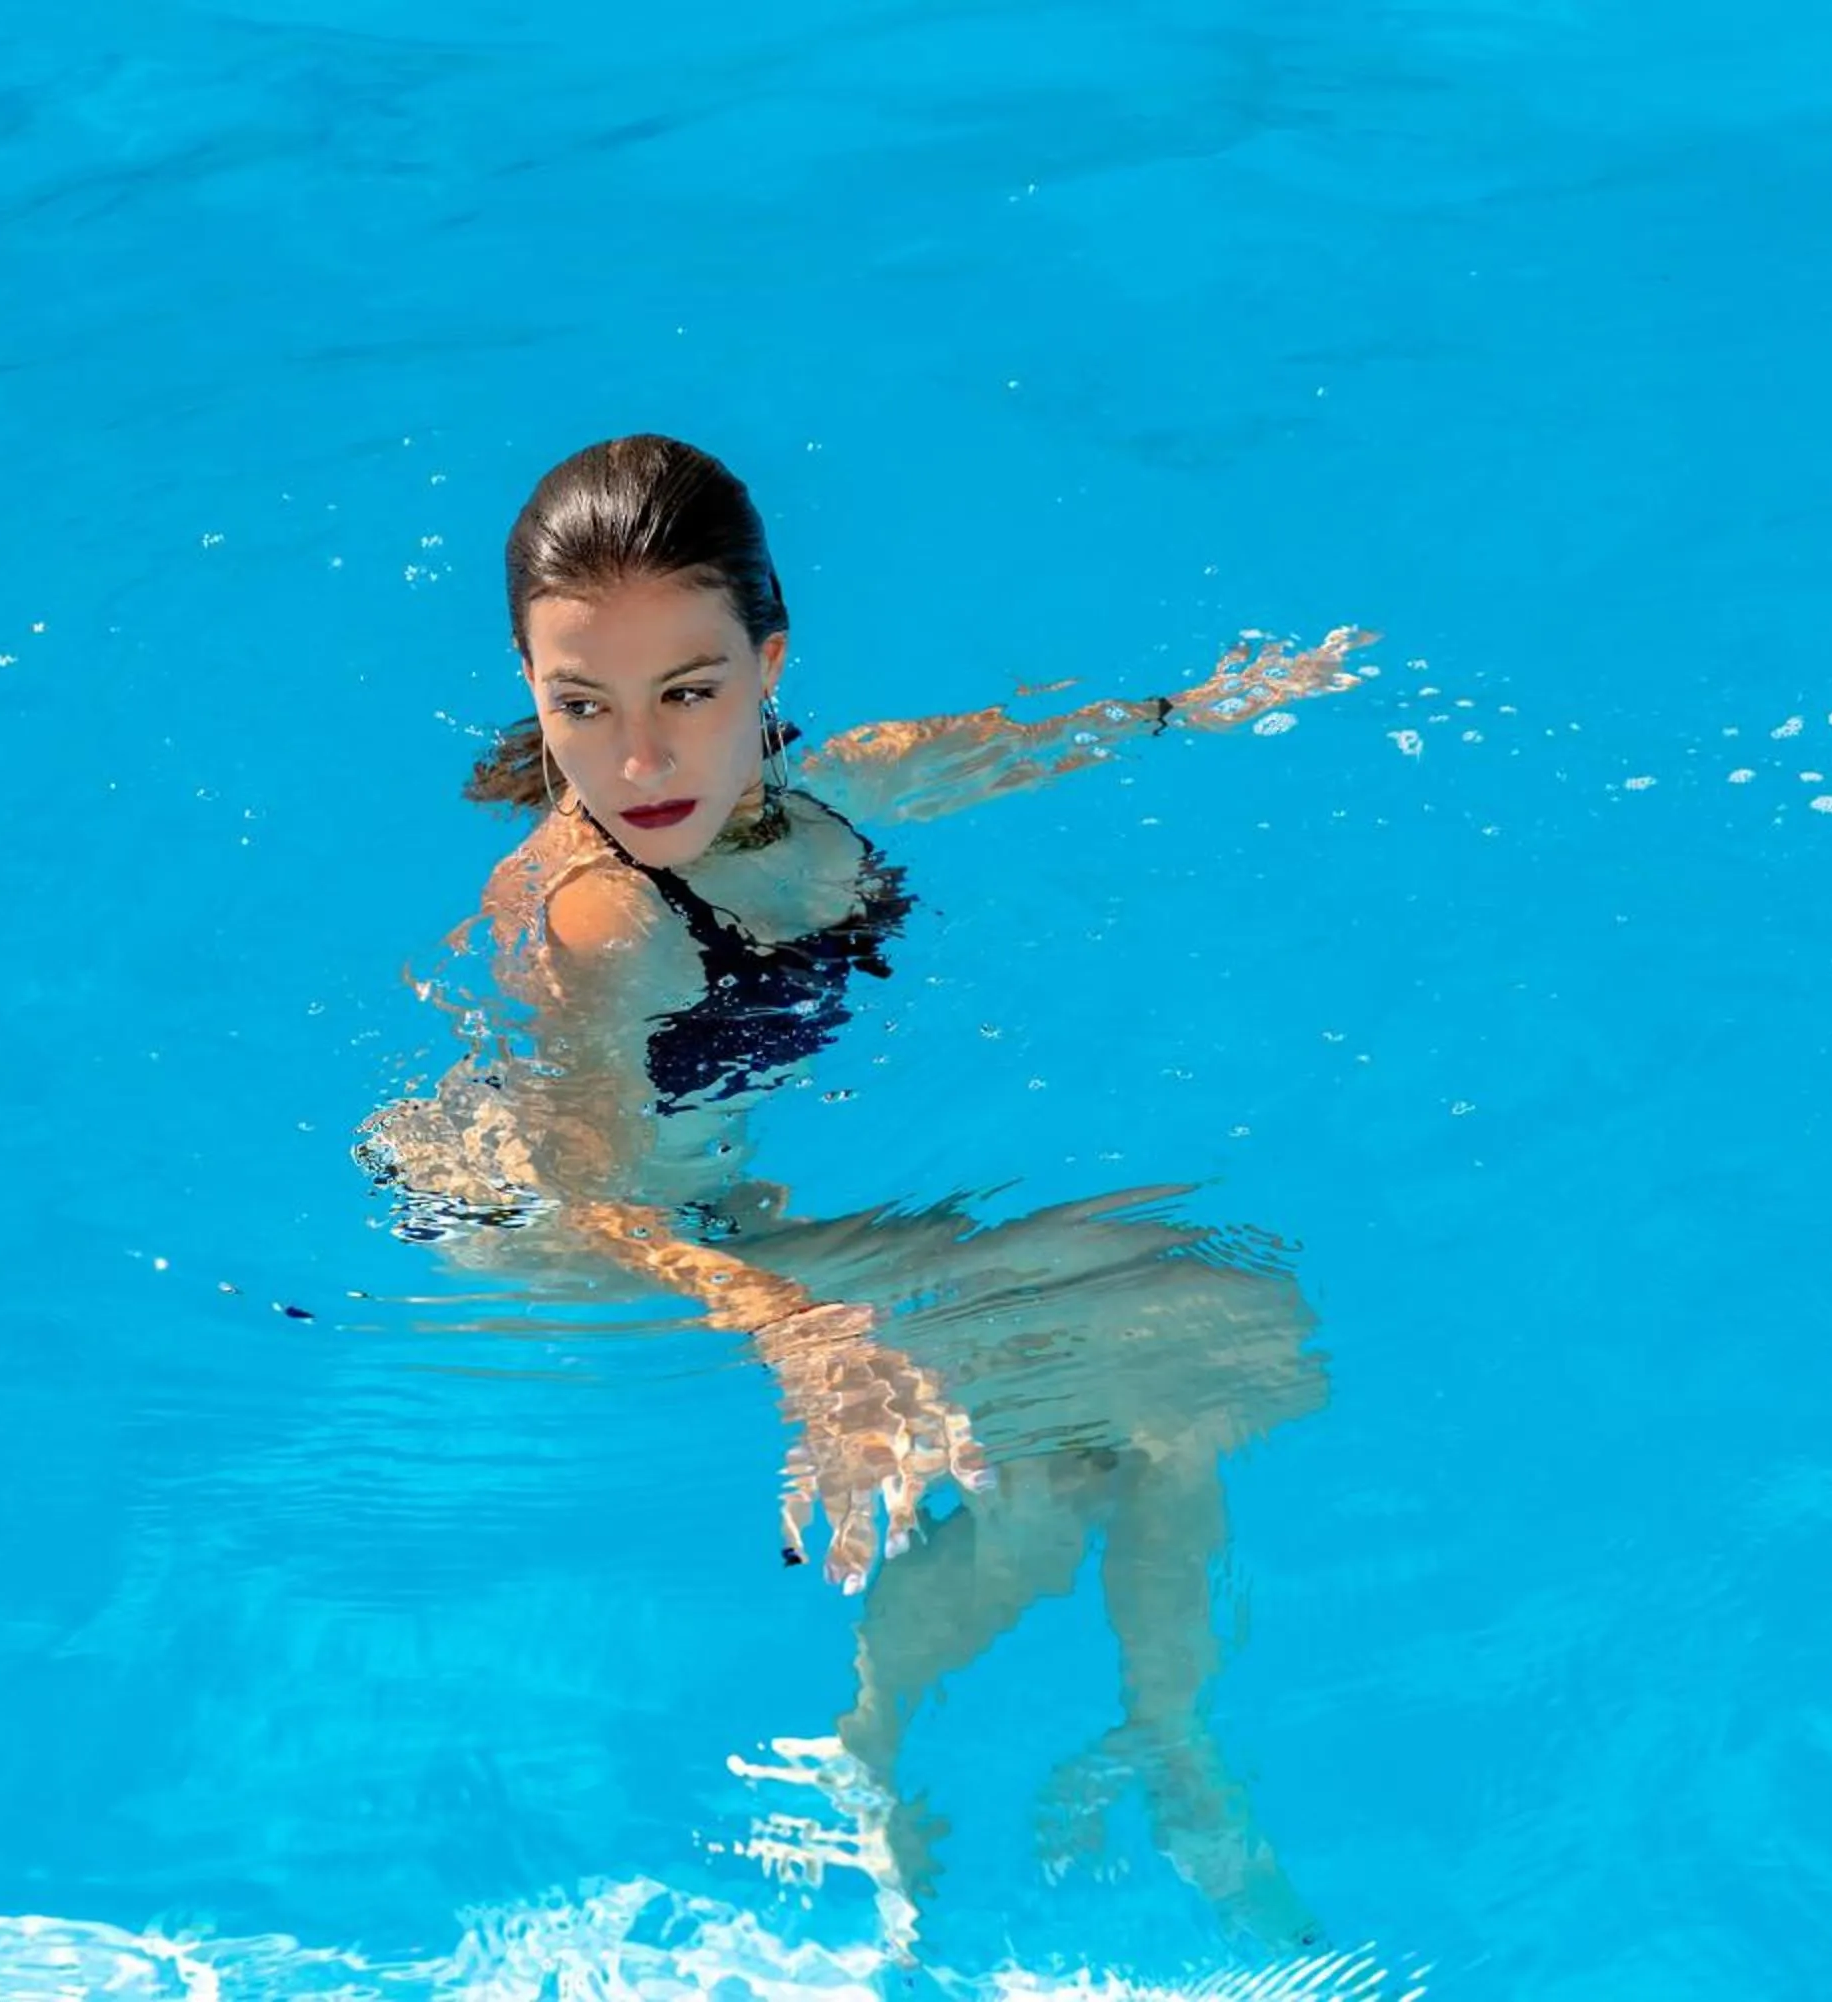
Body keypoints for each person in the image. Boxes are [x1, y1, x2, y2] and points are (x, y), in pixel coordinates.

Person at [355, 434, 1366, 1948]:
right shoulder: (598, 919)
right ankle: (880, 1748)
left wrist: (1197, 709)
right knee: (1201, 1335)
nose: (638, 763)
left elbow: (1015, 745)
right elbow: (598, 1198)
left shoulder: (818, 786)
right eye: (581, 707)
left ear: (769, 665)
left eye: (688, 693)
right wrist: (799, 1331)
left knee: (1166, 1388)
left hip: (720, 1216)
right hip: (570, 1236)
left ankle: (1171, 1738)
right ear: (528, 680)